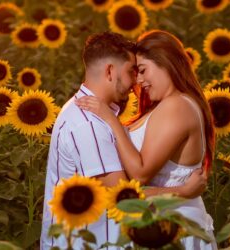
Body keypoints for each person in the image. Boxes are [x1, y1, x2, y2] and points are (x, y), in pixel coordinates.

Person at [41, 31, 208, 250]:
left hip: (170, 228)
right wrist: (182, 192)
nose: (137, 81)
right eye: (133, 71)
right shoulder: (89, 123)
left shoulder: (99, 114)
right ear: (110, 71)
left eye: (142, 70)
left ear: (166, 64)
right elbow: (121, 195)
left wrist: (112, 120)